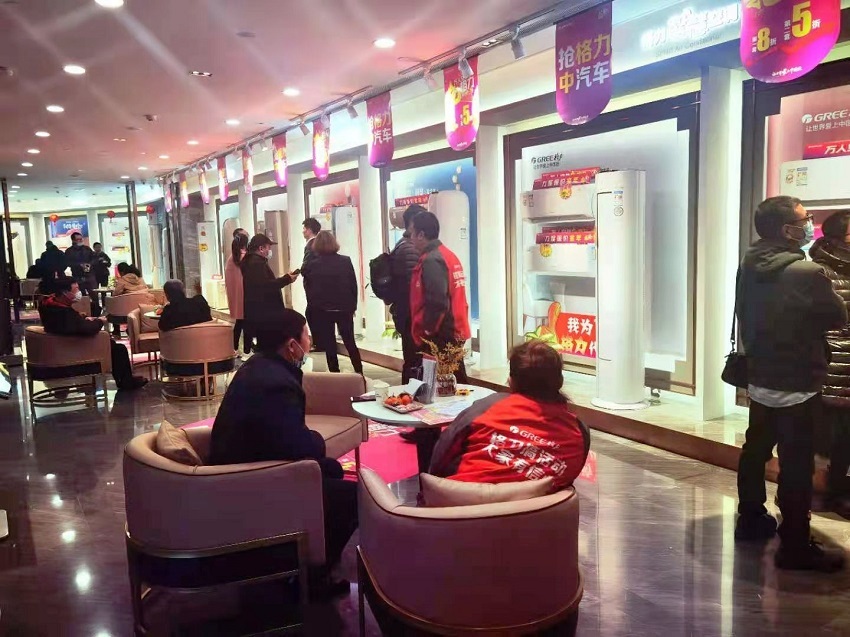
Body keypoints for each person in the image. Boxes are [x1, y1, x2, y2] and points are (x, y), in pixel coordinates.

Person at [209, 309, 357, 593]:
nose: (310, 342)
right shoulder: (275, 385)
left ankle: (312, 556)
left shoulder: (257, 367)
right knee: (353, 497)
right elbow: (298, 447)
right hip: (251, 483)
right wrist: (316, 440)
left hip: (244, 466)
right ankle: (308, 575)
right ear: (292, 345)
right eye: (307, 335)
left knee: (331, 469)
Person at [735, 196, 847, 572]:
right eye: (805, 219)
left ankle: (750, 518)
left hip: (760, 379)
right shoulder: (808, 272)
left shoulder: (748, 265)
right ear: (787, 230)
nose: (810, 224)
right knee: (796, 464)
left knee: (755, 450)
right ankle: (795, 545)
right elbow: (838, 316)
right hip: (798, 383)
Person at [430, 341, 589, 489]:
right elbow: (568, 480)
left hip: (460, 503)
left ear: (511, 381)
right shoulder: (579, 431)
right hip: (541, 509)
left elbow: (443, 453)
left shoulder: (489, 406)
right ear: (560, 381)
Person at [808, 210, 850, 517]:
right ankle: (815, 494)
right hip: (831, 366)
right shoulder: (818, 272)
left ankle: (838, 491)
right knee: (824, 437)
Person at [38, 276, 147, 391]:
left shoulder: (49, 306)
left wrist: (83, 319)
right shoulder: (62, 312)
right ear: (65, 293)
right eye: (75, 289)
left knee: (113, 345)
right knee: (118, 349)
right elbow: (86, 329)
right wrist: (99, 322)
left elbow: (73, 324)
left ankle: (125, 380)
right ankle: (126, 381)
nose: (78, 292)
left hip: (66, 344)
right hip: (73, 349)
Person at [409, 211, 471, 383]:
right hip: (452, 329)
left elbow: (437, 301)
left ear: (421, 234)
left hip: (443, 334)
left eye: (412, 233)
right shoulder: (446, 254)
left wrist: (428, 330)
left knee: (446, 383)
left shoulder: (432, 260)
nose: (410, 238)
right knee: (454, 380)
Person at [302, 230, 363, 375]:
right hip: (344, 308)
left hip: (323, 309)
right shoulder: (345, 261)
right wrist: (353, 306)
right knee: (350, 342)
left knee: (330, 343)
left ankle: (335, 373)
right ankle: (359, 371)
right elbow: (353, 286)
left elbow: (309, 288)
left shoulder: (313, 264)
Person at [389, 204, 426, 383]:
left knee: (412, 359)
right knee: (414, 360)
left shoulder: (403, 244)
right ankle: (408, 394)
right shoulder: (410, 248)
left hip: (406, 312)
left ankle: (408, 392)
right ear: (412, 223)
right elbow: (414, 285)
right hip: (410, 313)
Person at [241, 234, 299, 336]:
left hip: (256, 309)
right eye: (268, 247)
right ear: (261, 248)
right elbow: (266, 286)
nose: (270, 250)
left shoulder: (250, 261)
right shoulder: (256, 263)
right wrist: (287, 279)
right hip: (264, 311)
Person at [225, 229, 251, 356]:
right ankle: (247, 350)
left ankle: (234, 348)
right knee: (247, 324)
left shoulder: (231, 258)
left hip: (236, 297)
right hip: (246, 296)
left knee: (239, 323)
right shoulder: (246, 257)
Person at [64, 232, 100, 316]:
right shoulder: (69, 251)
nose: (80, 241)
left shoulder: (87, 249)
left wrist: (89, 264)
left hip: (90, 275)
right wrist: (79, 265)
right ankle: (84, 314)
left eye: (81, 239)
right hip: (77, 276)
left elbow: (94, 259)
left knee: (94, 295)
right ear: (73, 240)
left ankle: (96, 313)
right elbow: (67, 263)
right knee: (81, 297)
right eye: (78, 239)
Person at [302, 217, 322, 349]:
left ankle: (318, 342)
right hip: (319, 285)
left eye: (304, 228)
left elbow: (307, 266)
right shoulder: (320, 243)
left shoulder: (311, 245)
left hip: (313, 286)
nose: (303, 231)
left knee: (312, 313)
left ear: (309, 230)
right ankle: (320, 341)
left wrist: (301, 271)